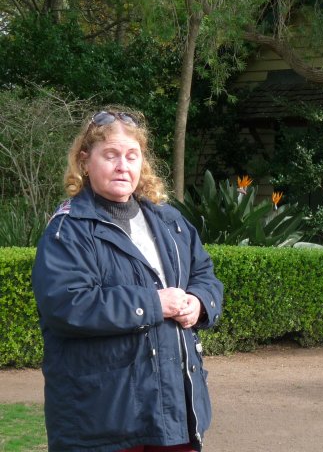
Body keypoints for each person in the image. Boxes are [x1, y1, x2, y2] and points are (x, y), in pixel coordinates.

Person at [31, 109, 224, 452]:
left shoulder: (170, 222)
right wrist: (154, 304)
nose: (123, 165)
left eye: (132, 156)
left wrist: (199, 303)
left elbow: (204, 275)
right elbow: (67, 304)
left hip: (174, 414)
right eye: (111, 155)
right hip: (104, 423)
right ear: (84, 161)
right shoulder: (68, 229)